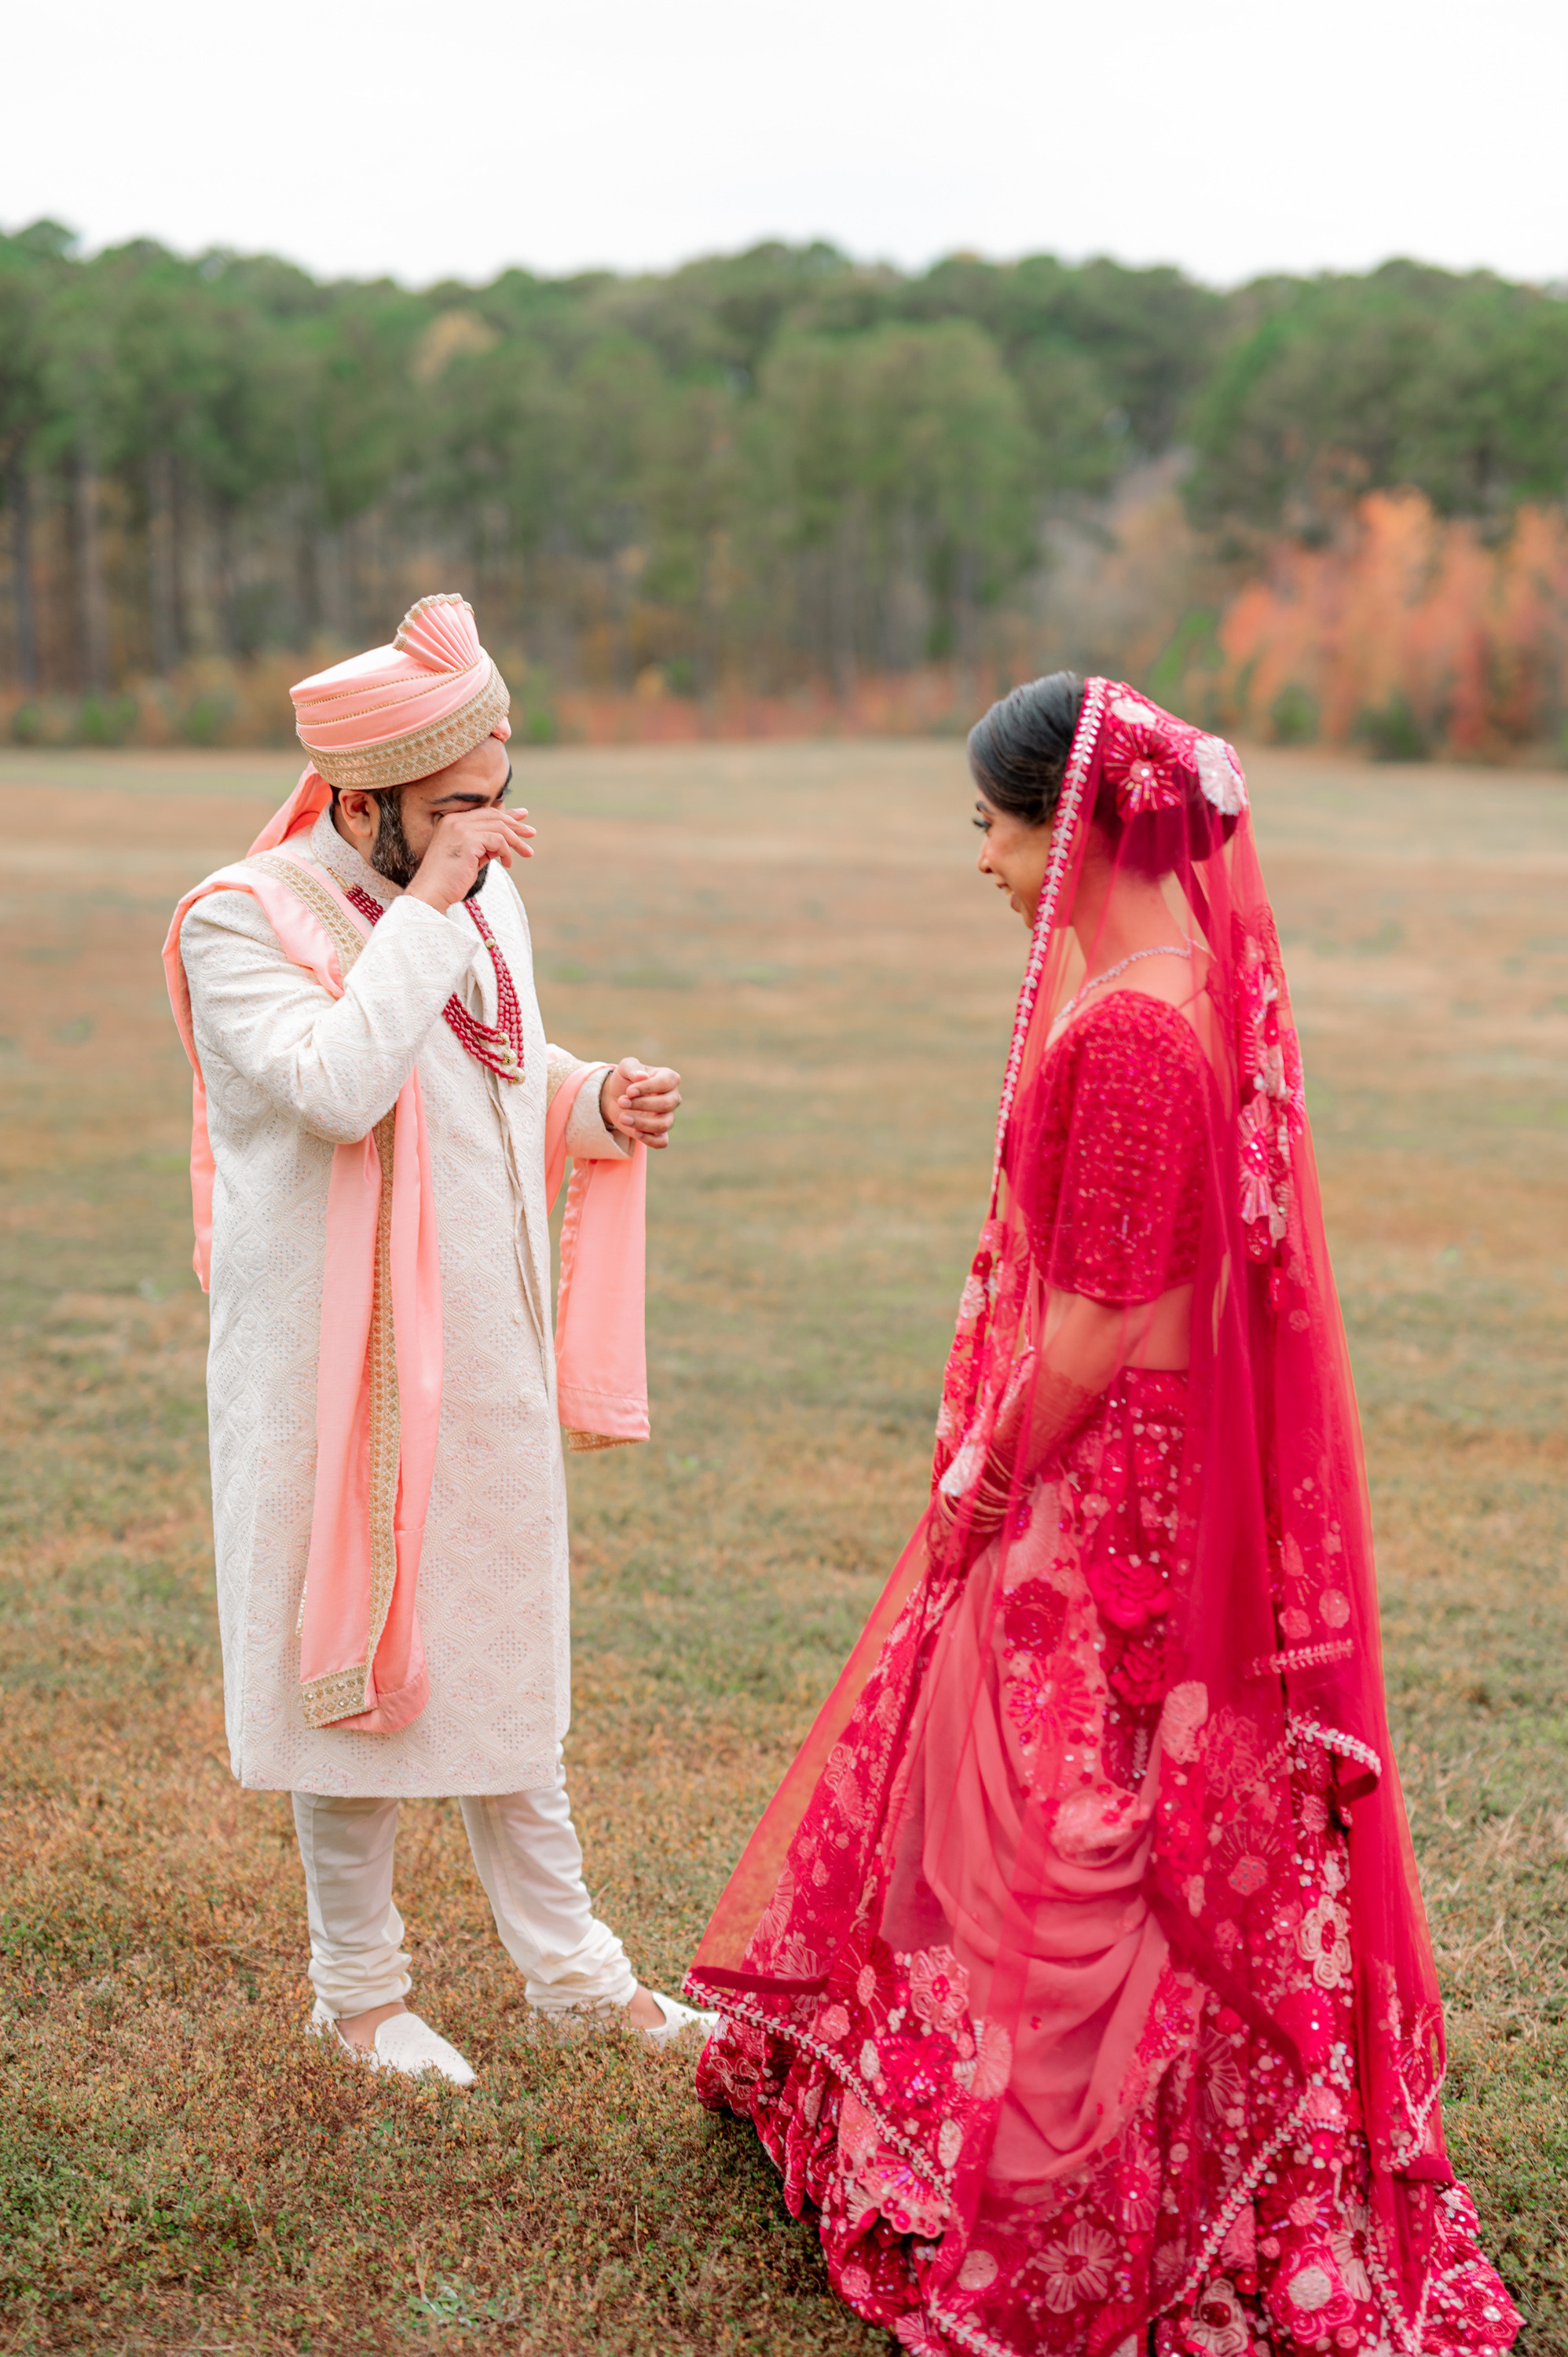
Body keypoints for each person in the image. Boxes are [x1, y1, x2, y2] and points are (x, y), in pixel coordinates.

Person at [686, 677, 1518, 2355]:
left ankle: (1070, 2176)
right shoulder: (1177, 982)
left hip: (1109, 1491)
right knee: (1095, 1810)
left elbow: (1107, 1316)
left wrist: (984, 1474)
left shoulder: (1135, 1023)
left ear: (1072, 822)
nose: (982, 861)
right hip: (1156, 1474)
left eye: (989, 825)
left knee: (1063, 1814)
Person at [164, 592, 712, 2084]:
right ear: (361, 801)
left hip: (484, 1355)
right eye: (454, 809)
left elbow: (493, 1070)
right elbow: (342, 1085)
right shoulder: (241, 919)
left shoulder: (472, 891)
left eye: (498, 798)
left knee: (500, 1662)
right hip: (330, 1385)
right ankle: (357, 1996)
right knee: (352, 1666)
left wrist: (594, 1101)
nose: (490, 829)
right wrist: (430, 907)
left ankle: (575, 1977)